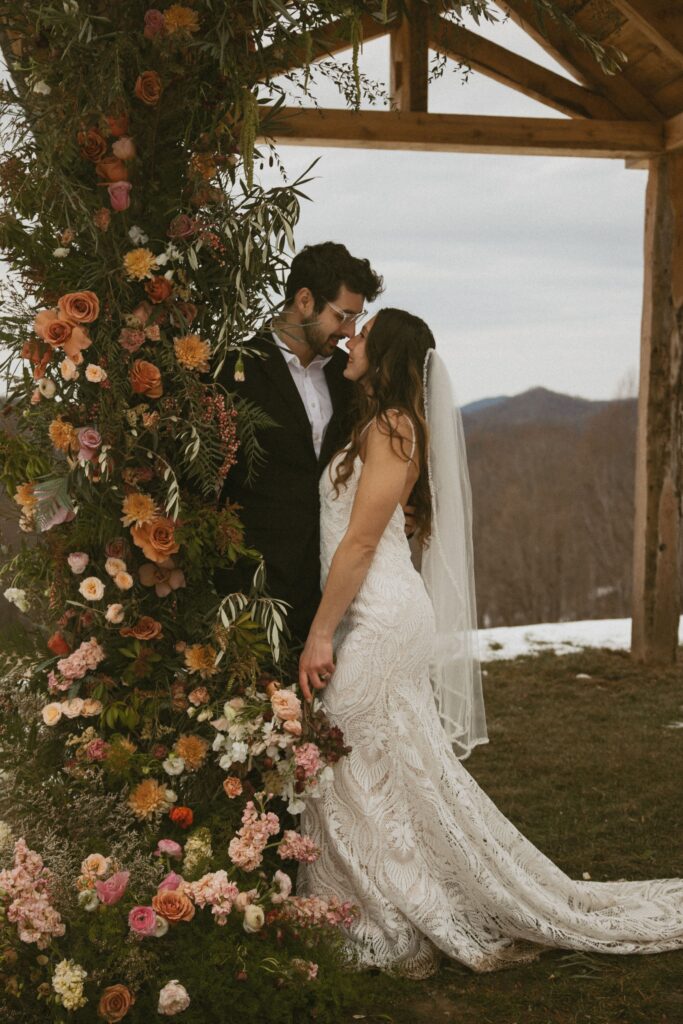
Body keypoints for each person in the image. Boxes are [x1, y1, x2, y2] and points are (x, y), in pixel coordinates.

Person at [296, 307, 683, 978]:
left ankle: (391, 914)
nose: (349, 339)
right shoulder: (375, 426)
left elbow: (360, 542)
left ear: (383, 355)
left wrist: (320, 634)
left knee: (347, 755)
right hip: (375, 613)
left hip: (380, 618)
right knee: (377, 766)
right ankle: (380, 900)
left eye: (363, 333)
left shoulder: (391, 428)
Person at [217, 242, 383, 645]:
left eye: (355, 319)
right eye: (341, 316)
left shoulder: (352, 377)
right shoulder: (232, 368)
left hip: (335, 595)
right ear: (305, 300)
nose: (347, 333)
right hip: (250, 595)